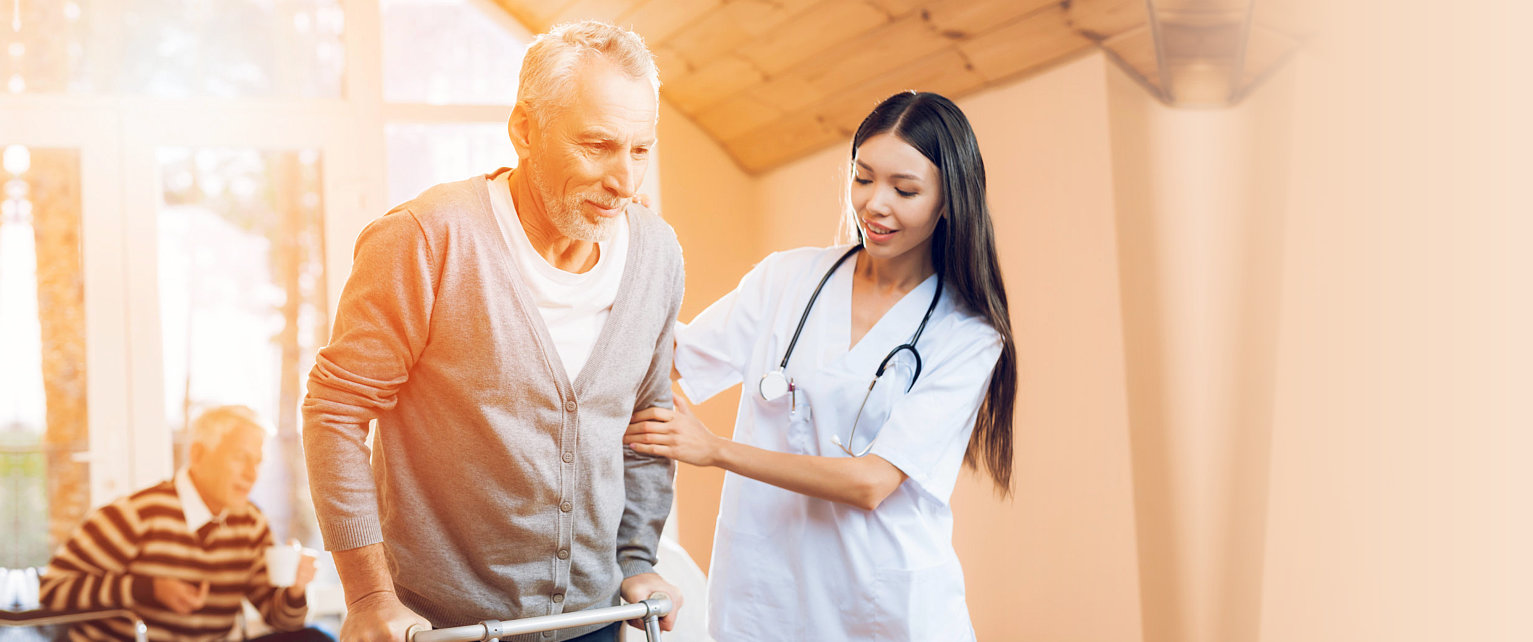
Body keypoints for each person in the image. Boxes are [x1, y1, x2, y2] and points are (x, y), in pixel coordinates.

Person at [302, 21, 682, 642]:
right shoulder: (427, 238)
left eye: (640, 150)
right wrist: (368, 596)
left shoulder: (658, 254)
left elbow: (645, 422)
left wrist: (637, 559)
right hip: (441, 629)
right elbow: (335, 412)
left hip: (598, 621)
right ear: (524, 129)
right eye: (597, 145)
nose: (625, 183)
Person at [627, 91, 1018, 640]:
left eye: (904, 189)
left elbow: (872, 481)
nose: (875, 204)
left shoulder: (968, 335)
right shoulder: (785, 279)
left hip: (884, 608)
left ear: (949, 201)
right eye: (863, 178)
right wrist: (629, 251)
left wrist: (715, 450)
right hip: (765, 598)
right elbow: (664, 361)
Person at [38, 406, 327, 642]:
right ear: (198, 455)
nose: (252, 474)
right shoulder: (135, 514)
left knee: (315, 638)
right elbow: (52, 591)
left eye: (258, 461)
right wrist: (148, 588)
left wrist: (296, 589)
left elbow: (279, 618)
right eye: (240, 458)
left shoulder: (250, 523)